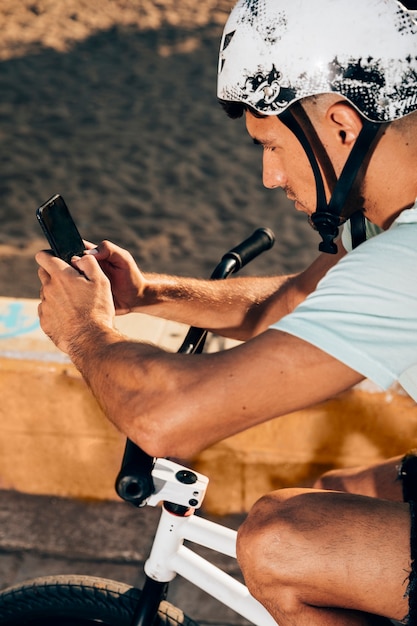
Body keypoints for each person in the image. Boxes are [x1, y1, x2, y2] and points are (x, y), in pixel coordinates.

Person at [36, 0, 417, 623]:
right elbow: (292, 299)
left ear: (343, 125)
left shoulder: (408, 258)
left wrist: (83, 329)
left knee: (278, 539)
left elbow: (165, 418)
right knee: (333, 497)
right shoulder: (384, 229)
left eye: (271, 144)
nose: (270, 176)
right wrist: (148, 292)